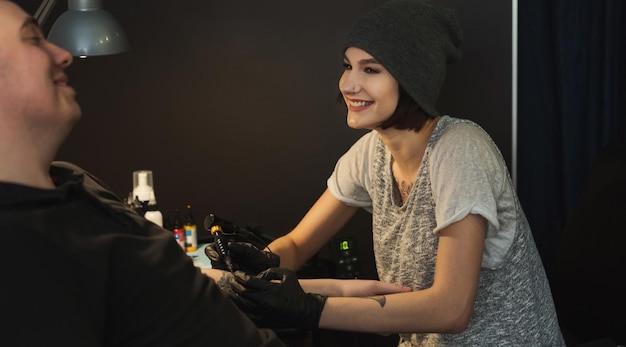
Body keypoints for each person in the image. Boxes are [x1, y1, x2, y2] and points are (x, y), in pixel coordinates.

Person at [207, 0, 566, 345]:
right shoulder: (371, 154)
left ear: (413, 79)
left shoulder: (461, 149)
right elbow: (299, 244)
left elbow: (451, 309)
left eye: (371, 69)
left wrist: (310, 309)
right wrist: (266, 262)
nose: (348, 84)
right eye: (347, 66)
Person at [0, 1, 285, 346]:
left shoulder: (73, 179)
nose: (63, 55)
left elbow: (150, 287)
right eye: (33, 40)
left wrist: (310, 298)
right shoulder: (20, 253)